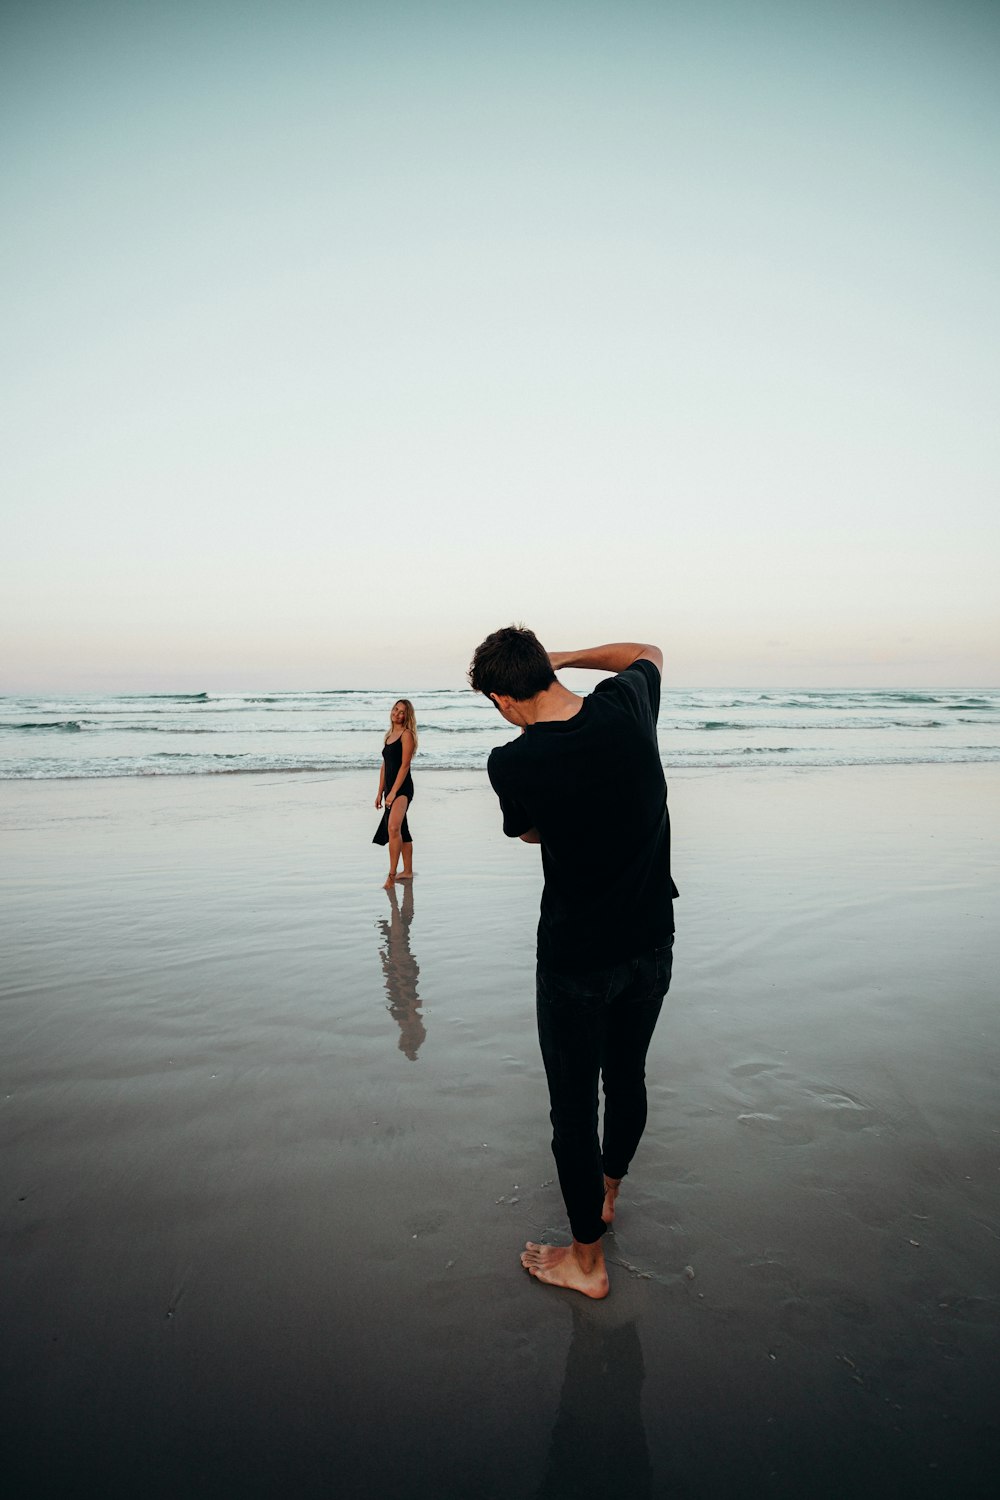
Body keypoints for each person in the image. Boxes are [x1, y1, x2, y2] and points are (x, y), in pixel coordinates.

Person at [469, 627, 677, 1298]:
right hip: (651, 942)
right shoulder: (625, 707)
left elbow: (530, 831)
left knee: (572, 1111)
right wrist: (564, 657)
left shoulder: (513, 762)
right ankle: (609, 1192)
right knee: (627, 1077)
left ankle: (587, 1262)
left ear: (502, 699)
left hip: (576, 959)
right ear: (546, 668)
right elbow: (649, 651)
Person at [373, 699, 417, 888]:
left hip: (402, 789)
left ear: (407, 716)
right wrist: (380, 791)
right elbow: (385, 766)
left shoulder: (406, 735)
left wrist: (393, 792)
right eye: (395, 709)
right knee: (402, 830)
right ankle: (407, 871)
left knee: (393, 828)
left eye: (402, 712)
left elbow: (405, 766)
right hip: (390, 789)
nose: (397, 713)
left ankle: (391, 875)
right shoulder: (389, 735)